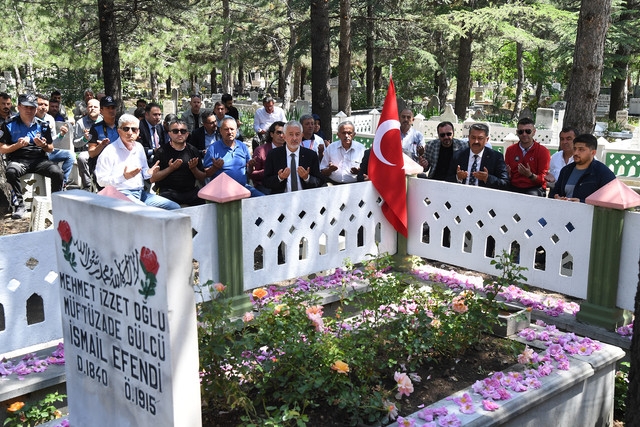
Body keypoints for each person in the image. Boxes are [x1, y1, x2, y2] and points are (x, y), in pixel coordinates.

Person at [94, 114, 180, 210]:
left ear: (138, 132)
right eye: (126, 129)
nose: (130, 133)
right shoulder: (109, 151)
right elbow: (101, 181)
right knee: (146, 211)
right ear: (119, 131)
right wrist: (123, 177)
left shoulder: (139, 147)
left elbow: (144, 172)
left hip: (140, 193)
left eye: (134, 129)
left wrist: (149, 172)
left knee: (174, 207)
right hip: (120, 194)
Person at [0, 94, 64, 219]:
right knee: (11, 172)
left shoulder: (43, 125)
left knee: (58, 172)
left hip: (39, 159)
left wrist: (44, 145)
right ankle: (20, 205)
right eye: (26, 107)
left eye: (32, 108)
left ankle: (55, 203)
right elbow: (2, 149)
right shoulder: (8, 125)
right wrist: (17, 145)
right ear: (19, 107)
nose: (29, 111)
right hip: (18, 159)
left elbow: (50, 149)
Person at [150, 119, 205, 206]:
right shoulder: (161, 152)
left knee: (204, 201)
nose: (179, 134)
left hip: (189, 191)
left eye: (183, 131)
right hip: (168, 192)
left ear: (187, 134)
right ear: (169, 134)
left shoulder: (193, 150)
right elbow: (152, 178)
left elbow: (202, 177)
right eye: (175, 131)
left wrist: (194, 169)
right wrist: (170, 169)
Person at [203, 117, 263, 197]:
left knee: (262, 199)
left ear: (236, 130)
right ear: (220, 131)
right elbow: (206, 174)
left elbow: (249, 171)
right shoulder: (213, 148)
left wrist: (251, 166)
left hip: (242, 187)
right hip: (222, 192)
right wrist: (215, 168)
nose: (229, 132)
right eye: (226, 129)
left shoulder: (242, 146)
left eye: (232, 129)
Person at [548, 133, 615, 203]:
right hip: (564, 211)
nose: (576, 153)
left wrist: (582, 202)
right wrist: (557, 198)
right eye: (574, 149)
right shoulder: (566, 170)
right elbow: (553, 194)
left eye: (581, 149)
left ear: (593, 153)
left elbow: (610, 200)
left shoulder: (603, 173)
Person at [263, 120, 324, 193]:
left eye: (297, 134)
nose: (294, 138)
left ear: (302, 136)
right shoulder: (273, 155)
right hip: (281, 198)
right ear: (284, 137)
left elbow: (319, 181)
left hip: (304, 197)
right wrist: (280, 178)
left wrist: (307, 178)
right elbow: (265, 182)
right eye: (291, 134)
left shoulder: (311, 155)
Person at [446, 123, 509, 190]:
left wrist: (487, 178)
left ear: (487, 140)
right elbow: (447, 180)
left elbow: (505, 183)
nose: (476, 141)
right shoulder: (458, 155)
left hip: (484, 197)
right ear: (468, 138)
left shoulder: (496, 157)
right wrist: (458, 177)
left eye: (480, 138)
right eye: (473, 137)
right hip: (461, 195)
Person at [35, 94, 75, 187]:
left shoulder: (50, 119)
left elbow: (52, 142)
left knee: (70, 155)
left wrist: (61, 135)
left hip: (48, 151)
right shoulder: (29, 118)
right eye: (40, 104)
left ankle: (63, 182)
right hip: (33, 153)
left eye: (45, 105)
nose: (43, 107)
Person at [504, 117, 551, 196]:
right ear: (517, 132)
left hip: (534, 187)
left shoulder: (542, 151)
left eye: (528, 131)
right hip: (514, 186)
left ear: (534, 132)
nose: (524, 134)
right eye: (521, 131)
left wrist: (530, 175)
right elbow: (507, 173)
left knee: (531, 196)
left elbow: (543, 179)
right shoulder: (510, 150)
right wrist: (507, 175)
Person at [249, 120, 285, 194]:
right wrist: (269, 171)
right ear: (271, 134)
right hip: (265, 186)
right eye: (278, 132)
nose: (281, 136)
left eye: (284, 133)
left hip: (284, 184)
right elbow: (253, 174)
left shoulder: (289, 150)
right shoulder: (260, 150)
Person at [73, 98, 101, 190]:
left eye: (95, 107)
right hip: (88, 151)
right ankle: (87, 185)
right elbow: (76, 143)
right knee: (81, 157)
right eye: (90, 106)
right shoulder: (81, 123)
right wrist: (85, 138)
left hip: (103, 150)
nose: (92, 108)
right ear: (87, 108)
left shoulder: (104, 121)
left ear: (100, 109)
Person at [88, 95, 119, 175]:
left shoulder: (123, 126)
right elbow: (91, 153)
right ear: (101, 110)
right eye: (108, 108)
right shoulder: (95, 128)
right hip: (102, 164)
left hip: (120, 161)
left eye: (113, 108)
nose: (111, 110)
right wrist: (101, 145)